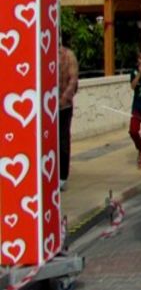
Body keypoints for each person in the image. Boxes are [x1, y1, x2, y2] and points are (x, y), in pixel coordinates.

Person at [58, 37, 79, 191]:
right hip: (47, 108)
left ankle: (62, 176)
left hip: (63, 107)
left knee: (63, 140)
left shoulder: (68, 55)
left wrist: (63, 99)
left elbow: (73, 80)